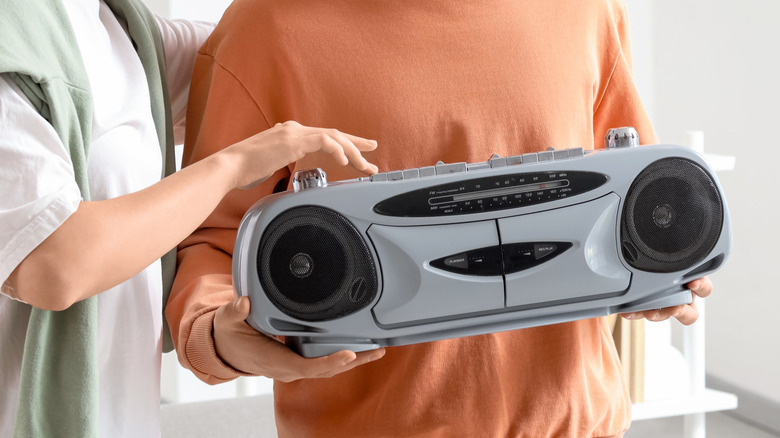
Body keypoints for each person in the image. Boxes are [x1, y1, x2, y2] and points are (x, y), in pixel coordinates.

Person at [166, 0, 714, 436]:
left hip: (576, 423)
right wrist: (214, 331)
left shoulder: (586, 9)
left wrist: (667, 276)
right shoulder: (266, 26)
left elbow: (645, 196)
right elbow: (213, 239)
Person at [0, 0, 378, 436]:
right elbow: (55, 264)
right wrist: (233, 166)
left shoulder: (116, 25)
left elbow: (250, 46)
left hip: (121, 417)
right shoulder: (14, 36)